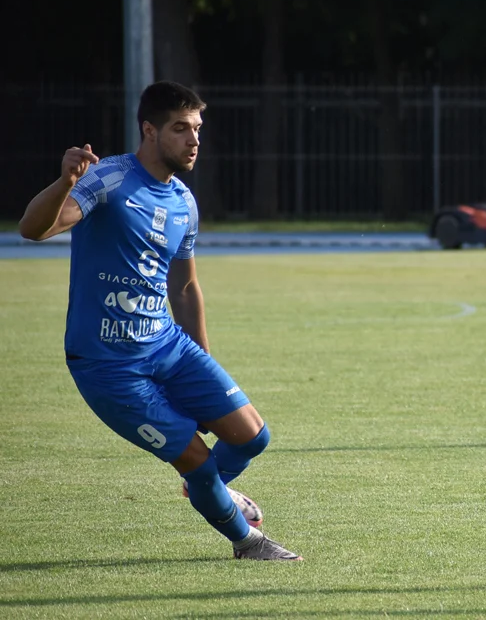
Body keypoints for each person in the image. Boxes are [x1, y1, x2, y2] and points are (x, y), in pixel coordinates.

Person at [18, 81, 301, 560]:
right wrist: (65, 182)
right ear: (149, 131)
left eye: (197, 129)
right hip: (108, 366)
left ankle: (205, 490)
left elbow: (185, 287)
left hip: (168, 348)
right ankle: (246, 541)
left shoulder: (184, 203)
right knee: (196, 461)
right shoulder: (106, 179)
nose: (194, 140)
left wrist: (203, 365)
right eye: (180, 129)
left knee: (252, 437)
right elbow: (33, 228)